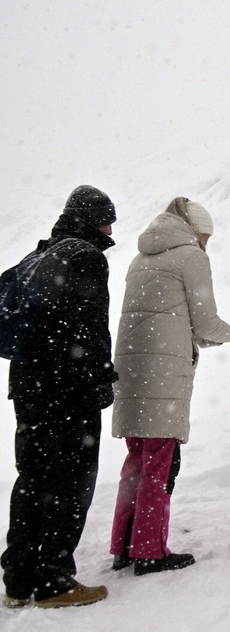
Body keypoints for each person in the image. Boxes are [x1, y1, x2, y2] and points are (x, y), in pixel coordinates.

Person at [108, 199, 230, 577]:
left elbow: (171, 320)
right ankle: (150, 552)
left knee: (137, 460)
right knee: (161, 461)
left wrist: (203, 337)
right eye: (205, 237)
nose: (206, 244)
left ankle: (123, 546)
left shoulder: (140, 258)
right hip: (163, 373)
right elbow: (205, 324)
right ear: (195, 231)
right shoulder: (190, 256)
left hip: (131, 369)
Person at [2, 185, 118, 609]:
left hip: (29, 387)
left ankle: (18, 580)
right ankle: (54, 581)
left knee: (33, 479)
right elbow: (89, 326)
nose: (110, 229)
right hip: (67, 389)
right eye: (108, 220)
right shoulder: (85, 256)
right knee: (70, 483)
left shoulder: (36, 256)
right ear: (93, 220)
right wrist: (100, 378)